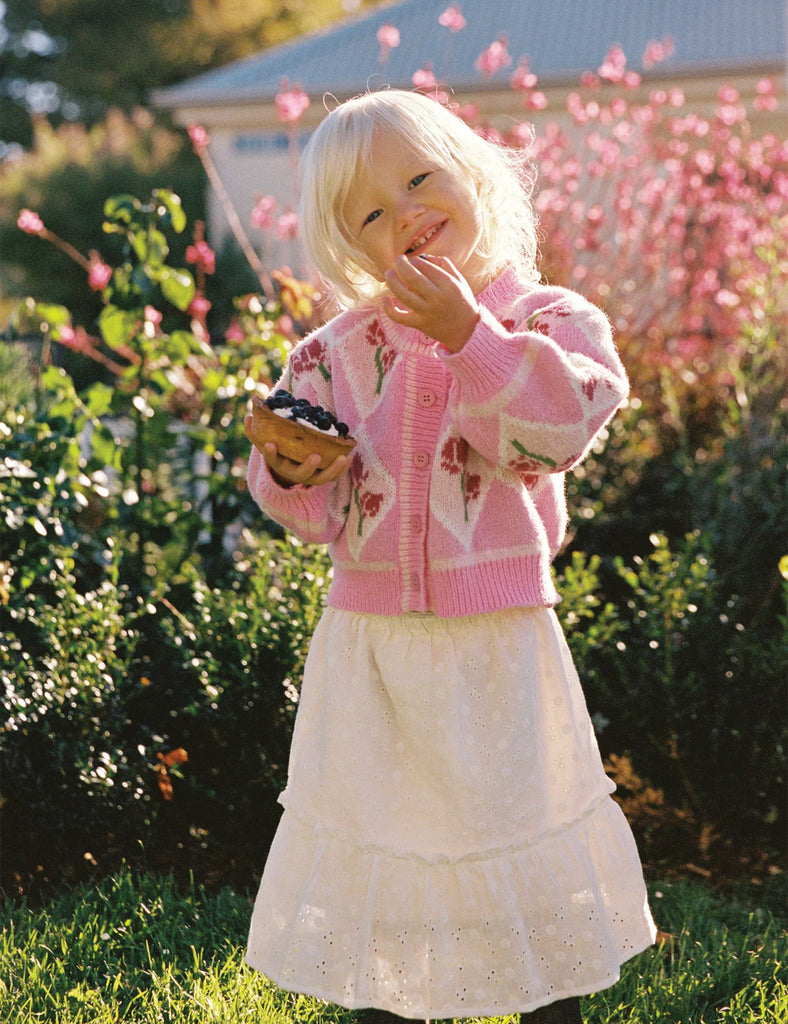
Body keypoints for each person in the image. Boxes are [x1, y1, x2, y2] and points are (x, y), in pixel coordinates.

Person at [244, 89, 656, 1024]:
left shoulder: (550, 319)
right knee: (386, 840)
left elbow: (557, 429)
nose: (408, 215)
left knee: (519, 836)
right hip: (375, 651)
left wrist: (471, 338)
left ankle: (546, 1001)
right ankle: (386, 1006)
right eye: (374, 214)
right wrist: (292, 468)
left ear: (475, 174)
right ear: (355, 248)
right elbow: (309, 509)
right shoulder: (332, 355)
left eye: (421, 179)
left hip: (498, 643)